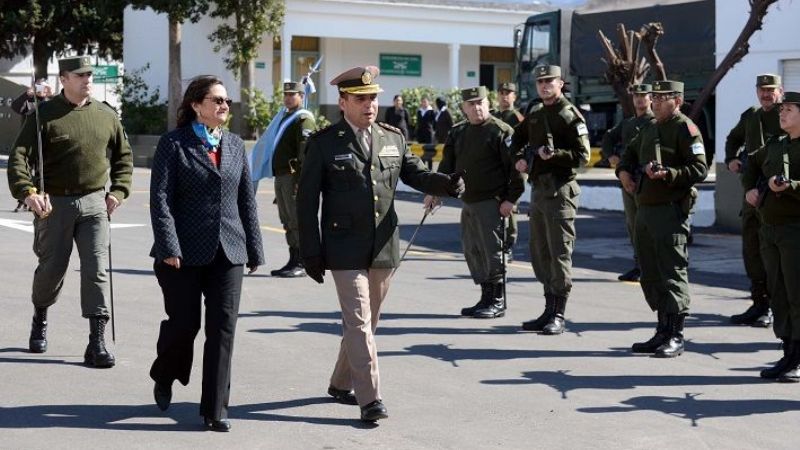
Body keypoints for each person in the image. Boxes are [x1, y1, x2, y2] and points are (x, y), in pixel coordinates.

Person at [296, 66, 463, 422]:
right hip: (343, 247)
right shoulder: (324, 143)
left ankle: (341, 383)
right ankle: (370, 399)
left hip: (383, 246)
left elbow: (415, 173)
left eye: (373, 97)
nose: (370, 104)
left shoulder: (393, 137)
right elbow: (306, 203)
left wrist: (445, 185)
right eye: (361, 98)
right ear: (343, 102)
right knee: (357, 320)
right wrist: (308, 250)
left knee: (367, 323)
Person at [148, 75, 265, 431]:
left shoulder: (233, 145)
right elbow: (161, 199)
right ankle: (165, 372)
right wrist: (168, 246)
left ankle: (215, 409)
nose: (224, 106)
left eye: (226, 100)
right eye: (216, 100)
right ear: (196, 105)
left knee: (223, 329)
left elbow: (246, 199)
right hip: (181, 254)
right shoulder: (173, 144)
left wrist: (255, 248)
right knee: (184, 325)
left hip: (229, 251)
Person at [7, 55, 132, 367]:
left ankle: (97, 341)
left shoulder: (106, 115)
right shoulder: (44, 116)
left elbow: (123, 158)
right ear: (63, 79)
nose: (86, 80)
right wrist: (28, 192)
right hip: (55, 204)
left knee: (97, 270)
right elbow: (19, 157)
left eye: (88, 75)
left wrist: (118, 191)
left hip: (94, 203)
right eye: (79, 75)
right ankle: (40, 315)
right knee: (51, 271)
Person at [616, 80, 708, 358]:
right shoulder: (649, 128)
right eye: (653, 97)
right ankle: (662, 330)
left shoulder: (685, 129)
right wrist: (623, 173)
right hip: (645, 208)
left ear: (677, 101)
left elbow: (700, 168)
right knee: (651, 270)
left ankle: (676, 334)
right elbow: (627, 156)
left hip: (669, 210)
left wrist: (668, 173)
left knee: (671, 271)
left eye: (661, 97)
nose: (654, 102)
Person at [426, 86, 524, 319]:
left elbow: (516, 171)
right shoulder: (458, 132)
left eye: (481, 102)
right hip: (468, 201)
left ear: (488, 103)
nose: (477, 107)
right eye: (471, 104)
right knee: (474, 251)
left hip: (493, 202)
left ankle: (497, 300)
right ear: (463, 108)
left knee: (493, 252)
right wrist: (435, 191)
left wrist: (511, 199)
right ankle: (485, 297)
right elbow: (447, 166)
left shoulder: (501, 131)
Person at [510, 65, 591, 335]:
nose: (544, 86)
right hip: (539, 191)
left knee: (559, 253)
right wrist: (519, 159)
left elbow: (583, 156)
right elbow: (516, 141)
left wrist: (553, 156)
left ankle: (559, 313)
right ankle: (548, 309)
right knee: (540, 253)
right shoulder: (534, 112)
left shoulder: (569, 115)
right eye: (540, 81)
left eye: (550, 81)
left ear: (561, 83)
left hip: (560, 191)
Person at [742, 91, 800, 382]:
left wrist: (791, 186)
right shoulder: (775, 145)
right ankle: (788, 350)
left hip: (795, 231)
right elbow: (750, 163)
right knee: (778, 292)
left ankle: (797, 358)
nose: (782, 113)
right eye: (781, 110)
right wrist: (752, 189)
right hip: (770, 230)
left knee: (796, 293)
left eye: (789, 109)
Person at [725, 74, 784, 327]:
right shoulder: (751, 116)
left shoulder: (788, 116)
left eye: (770, 90)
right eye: (762, 90)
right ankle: (759, 304)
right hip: (751, 194)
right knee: (752, 251)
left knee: (776, 255)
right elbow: (732, 139)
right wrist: (731, 159)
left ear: (780, 92)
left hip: (779, 197)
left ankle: (775, 308)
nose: (766, 95)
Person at [601, 84, 656, 282]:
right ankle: (638, 265)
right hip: (628, 179)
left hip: (648, 183)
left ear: (651, 98)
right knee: (633, 225)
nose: (640, 99)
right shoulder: (628, 123)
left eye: (644, 96)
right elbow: (607, 137)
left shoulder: (656, 122)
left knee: (647, 226)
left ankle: (650, 267)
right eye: (637, 96)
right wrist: (611, 156)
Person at [269, 81, 316, 278]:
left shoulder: (303, 119)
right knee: (287, 220)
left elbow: (305, 153)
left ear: (301, 97)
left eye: (292, 94)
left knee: (296, 220)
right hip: (281, 175)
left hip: (292, 176)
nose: (288, 98)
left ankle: (302, 262)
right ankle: (293, 258)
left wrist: (299, 181)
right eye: (286, 94)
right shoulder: (286, 117)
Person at [492, 82, 525, 261]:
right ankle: (496, 242)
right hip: (496, 168)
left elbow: (524, 144)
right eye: (502, 93)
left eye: (508, 93)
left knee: (510, 206)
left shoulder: (517, 118)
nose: (505, 96)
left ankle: (509, 244)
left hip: (513, 167)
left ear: (514, 96)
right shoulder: (494, 116)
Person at [11, 78, 54, 213]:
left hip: (45, 142)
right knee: (26, 171)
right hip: (29, 142)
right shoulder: (29, 102)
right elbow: (15, 107)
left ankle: (41, 198)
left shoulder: (51, 103)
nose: (41, 90)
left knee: (42, 172)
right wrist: (27, 94)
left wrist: (51, 94)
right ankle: (24, 200)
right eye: (38, 87)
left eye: (43, 87)